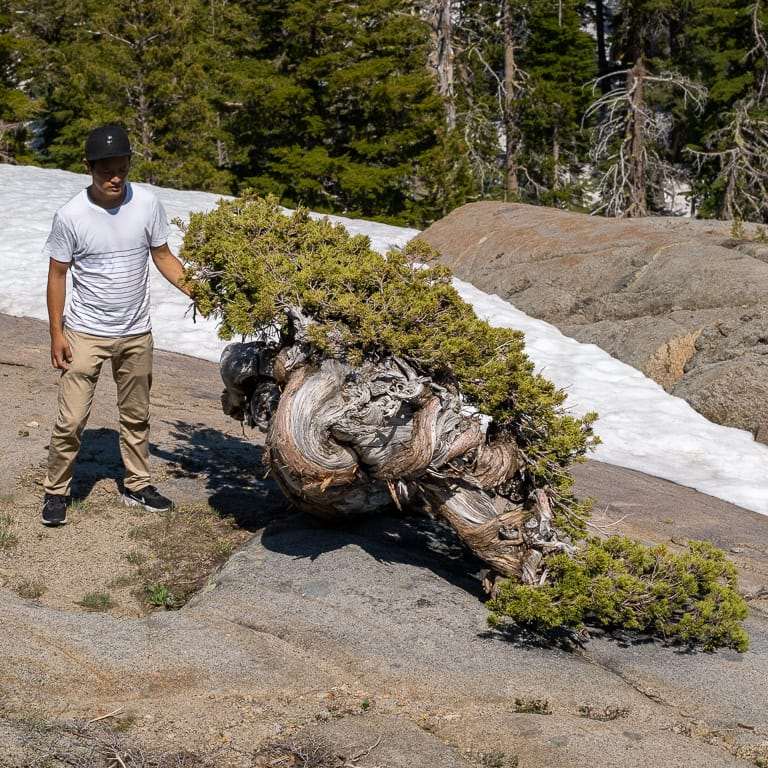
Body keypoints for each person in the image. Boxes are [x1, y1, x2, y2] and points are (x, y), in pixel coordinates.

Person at [41, 124, 192, 526]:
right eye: (105, 169)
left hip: (136, 332)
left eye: (121, 168)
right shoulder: (70, 215)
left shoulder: (146, 203)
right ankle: (56, 491)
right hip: (85, 333)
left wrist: (196, 290)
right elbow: (57, 276)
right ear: (89, 168)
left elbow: (161, 255)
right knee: (71, 419)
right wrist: (56, 333)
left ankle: (138, 485)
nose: (114, 177)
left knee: (136, 414)